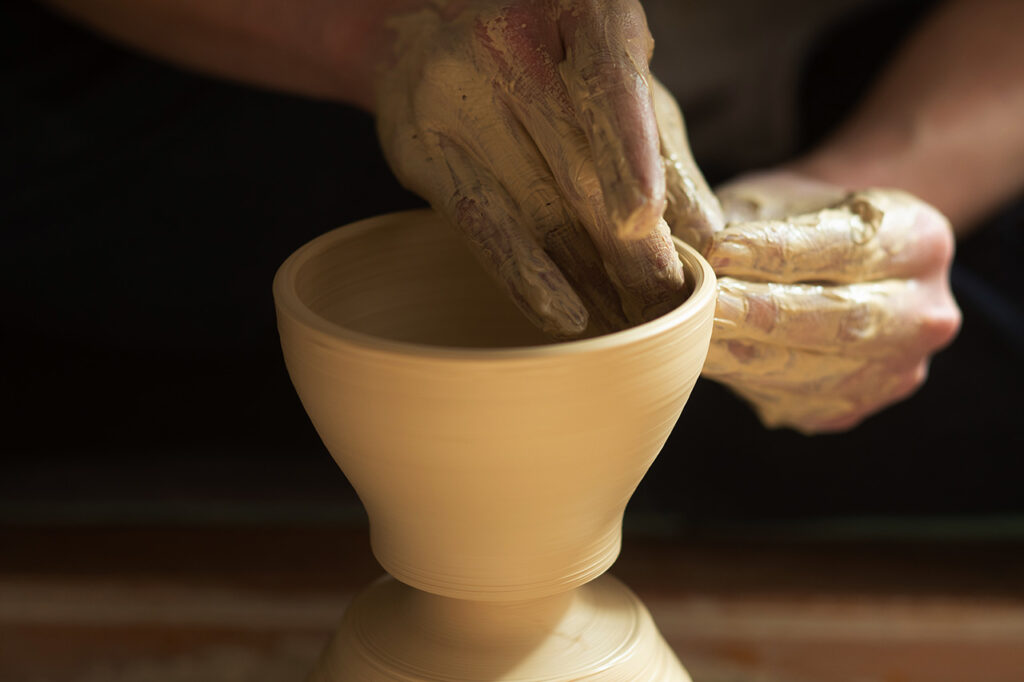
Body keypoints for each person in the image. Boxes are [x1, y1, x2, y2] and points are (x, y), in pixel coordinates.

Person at [14, 0, 1022, 444]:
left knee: (903, 342)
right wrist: (374, 27)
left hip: (858, 60)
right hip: (292, 55)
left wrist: (873, 182)